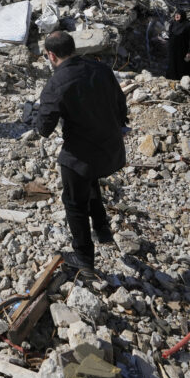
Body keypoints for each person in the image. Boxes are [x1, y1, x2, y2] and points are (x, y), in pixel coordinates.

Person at [35, 31, 128, 276]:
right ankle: (102, 229)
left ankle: (84, 259)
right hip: (111, 149)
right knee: (89, 179)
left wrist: (34, 114)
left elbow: (44, 128)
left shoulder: (57, 82)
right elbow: (121, 106)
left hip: (81, 155)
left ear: (51, 55)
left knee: (73, 202)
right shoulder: (101, 68)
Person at [166, 9, 190, 80]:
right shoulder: (173, 24)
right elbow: (170, 36)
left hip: (183, 51)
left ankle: (184, 83)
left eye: (178, 14)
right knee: (172, 66)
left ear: (183, 15)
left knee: (183, 67)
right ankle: (172, 81)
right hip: (173, 51)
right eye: (176, 14)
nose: (177, 16)